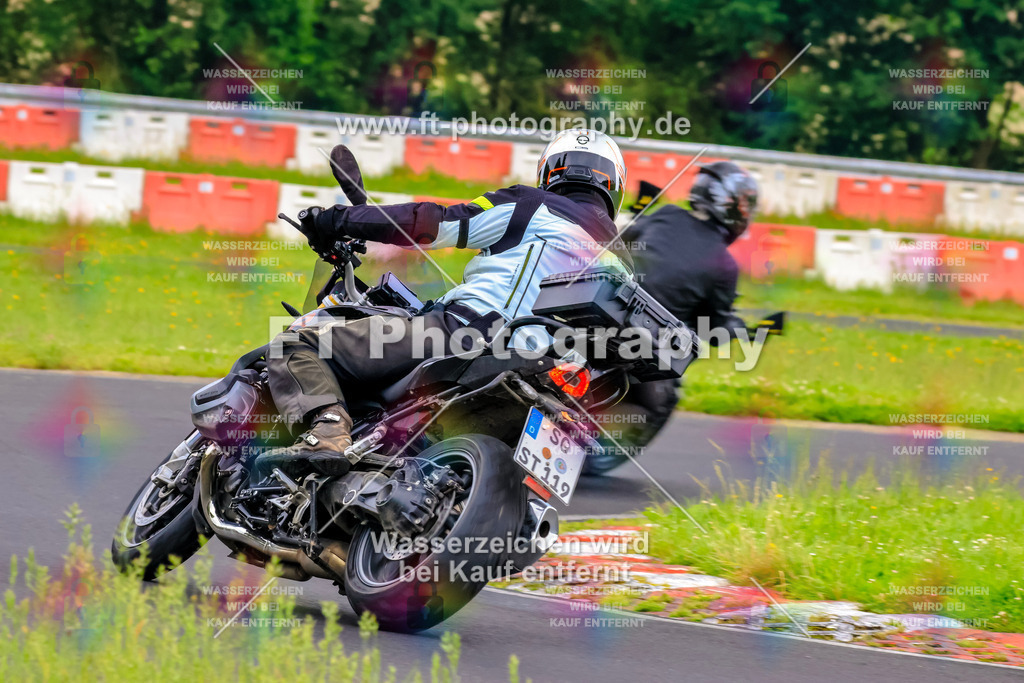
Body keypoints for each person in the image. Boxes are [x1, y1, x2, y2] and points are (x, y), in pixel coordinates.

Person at [254, 129, 631, 479]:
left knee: (296, 344)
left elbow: (431, 223)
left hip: (468, 333)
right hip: (550, 377)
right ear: (614, 187)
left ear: (550, 172)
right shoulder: (623, 263)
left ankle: (330, 431)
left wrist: (339, 220)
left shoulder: (529, 204)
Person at [582, 161, 759, 475]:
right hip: (641, 344)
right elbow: (715, 326)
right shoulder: (725, 264)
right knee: (663, 395)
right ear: (733, 206)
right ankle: (594, 451)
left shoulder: (666, 215)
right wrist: (738, 329)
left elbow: (620, 242)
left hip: (597, 310)